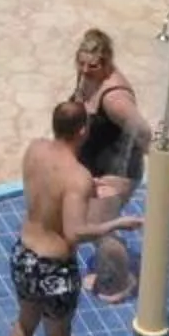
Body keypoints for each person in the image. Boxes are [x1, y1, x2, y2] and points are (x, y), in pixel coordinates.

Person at [9, 97, 142, 336]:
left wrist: (83, 193)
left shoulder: (35, 149)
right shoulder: (78, 176)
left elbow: (49, 191)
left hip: (23, 253)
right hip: (54, 266)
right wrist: (115, 224)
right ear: (82, 131)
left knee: (25, 323)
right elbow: (76, 232)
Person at [69, 28, 155, 304]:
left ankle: (122, 281)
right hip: (96, 167)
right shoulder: (88, 80)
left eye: (92, 66)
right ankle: (114, 269)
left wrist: (117, 175)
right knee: (92, 223)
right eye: (81, 64)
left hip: (116, 172)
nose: (85, 70)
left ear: (107, 63)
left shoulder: (114, 99)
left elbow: (143, 134)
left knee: (100, 228)